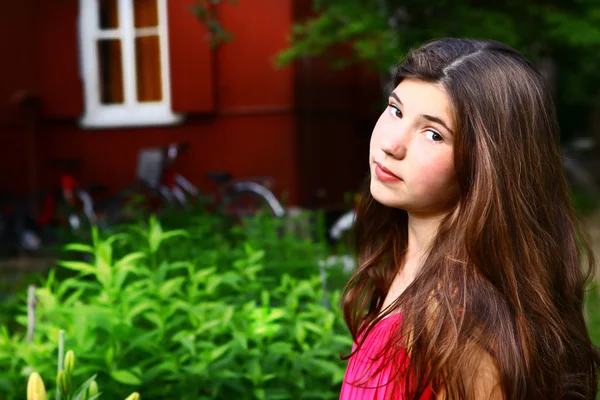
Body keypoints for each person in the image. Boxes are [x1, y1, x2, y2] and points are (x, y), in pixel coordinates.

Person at [338, 38, 600, 399]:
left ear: (487, 166)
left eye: (433, 134)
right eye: (396, 110)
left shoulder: (462, 325)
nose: (391, 144)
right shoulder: (401, 263)